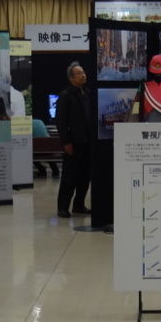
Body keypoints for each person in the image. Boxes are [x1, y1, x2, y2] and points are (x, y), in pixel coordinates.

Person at [54, 62, 91, 218]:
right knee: (69, 176)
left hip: (88, 142)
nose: (83, 75)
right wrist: (66, 142)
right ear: (71, 78)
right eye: (79, 73)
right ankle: (63, 207)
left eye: (83, 72)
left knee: (85, 176)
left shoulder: (88, 93)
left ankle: (79, 205)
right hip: (73, 143)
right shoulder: (66, 95)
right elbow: (61, 121)